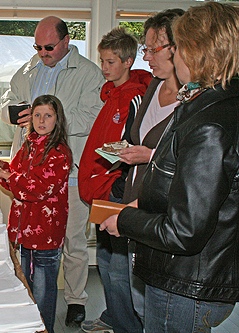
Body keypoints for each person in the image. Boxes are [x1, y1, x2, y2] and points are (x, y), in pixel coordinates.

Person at [101, 2, 239, 332]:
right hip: (188, 278)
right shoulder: (207, 104)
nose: (174, 58)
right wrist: (140, 204)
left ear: (195, 52)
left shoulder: (209, 124)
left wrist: (127, 219)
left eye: (178, 49)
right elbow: (184, 188)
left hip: (186, 284)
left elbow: (185, 232)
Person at [0, 15, 105, 326]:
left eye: (48, 47)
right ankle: (30, 297)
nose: (42, 53)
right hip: (30, 169)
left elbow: (92, 116)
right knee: (29, 239)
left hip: (68, 171)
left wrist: (48, 118)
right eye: (37, 46)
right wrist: (15, 113)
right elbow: (8, 98)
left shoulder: (88, 73)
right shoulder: (31, 66)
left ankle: (75, 299)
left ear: (65, 41)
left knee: (73, 240)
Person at [111, 9, 184, 328]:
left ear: (179, 47)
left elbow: (190, 160)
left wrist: (149, 155)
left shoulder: (193, 98)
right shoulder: (153, 86)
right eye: (147, 48)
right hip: (135, 199)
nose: (148, 56)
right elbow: (137, 135)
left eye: (154, 48)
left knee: (156, 305)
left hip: (162, 211)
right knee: (138, 298)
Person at [78, 27, 152, 333]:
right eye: (102, 61)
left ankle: (127, 325)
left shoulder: (135, 97)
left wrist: (118, 187)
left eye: (110, 62)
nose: (104, 67)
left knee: (118, 266)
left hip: (117, 190)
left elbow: (132, 145)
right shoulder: (111, 94)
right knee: (107, 262)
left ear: (128, 61)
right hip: (102, 189)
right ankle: (114, 316)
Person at [0, 95, 72, 333]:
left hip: (46, 236)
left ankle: (44, 329)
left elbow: (37, 188)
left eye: (48, 115)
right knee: (26, 286)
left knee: (42, 294)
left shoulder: (59, 153)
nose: (41, 120)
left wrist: (7, 175)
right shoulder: (29, 143)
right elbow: (16, 177)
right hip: (23, 232)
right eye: (37, 115)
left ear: (57, 119)